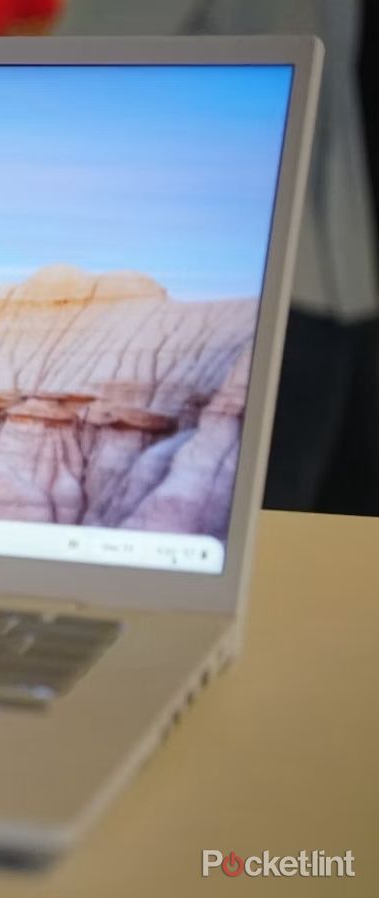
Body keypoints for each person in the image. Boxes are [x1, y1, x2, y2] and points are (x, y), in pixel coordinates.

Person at [57, 0, 379, 515]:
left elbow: (76, 71)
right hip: (300, 273)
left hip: (292, 272)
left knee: (292, 512)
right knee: (277, 511)